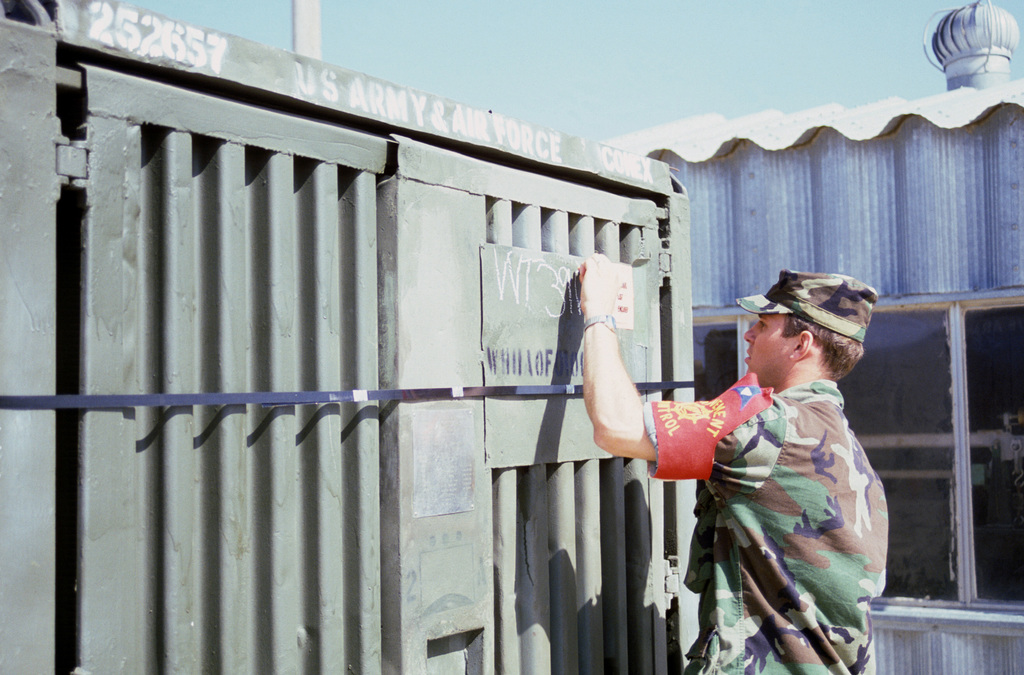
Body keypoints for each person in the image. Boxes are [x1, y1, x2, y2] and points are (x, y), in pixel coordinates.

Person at [579, 254, 888, 675]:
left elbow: (615, 425)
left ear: (802, 345)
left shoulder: (774, 427)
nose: (749, 335)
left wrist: (597, 314)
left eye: (764, 325)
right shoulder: (843, 441)